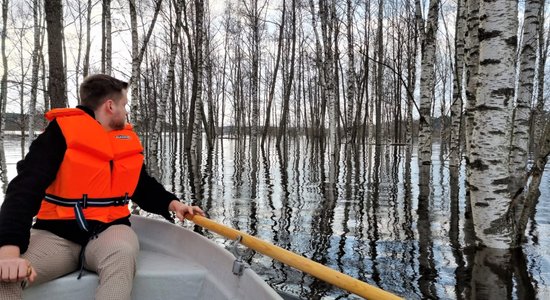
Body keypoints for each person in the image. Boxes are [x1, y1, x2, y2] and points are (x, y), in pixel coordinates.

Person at [0, 74, 204, 299]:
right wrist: (9, 249)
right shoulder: (60, 133)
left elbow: (141, 184)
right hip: (56, 235)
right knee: (3, 278)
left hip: (110, 230)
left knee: (122, 255)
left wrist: (173, 203)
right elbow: (24, 188)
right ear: (110, 106)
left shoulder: (125, 140)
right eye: (124, 105)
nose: (126, 112)